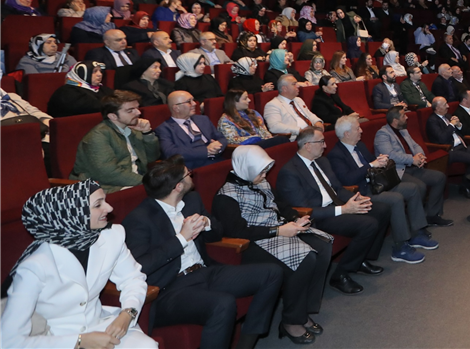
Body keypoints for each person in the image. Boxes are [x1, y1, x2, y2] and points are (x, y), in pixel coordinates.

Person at [122, 156, 283, 349]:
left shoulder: (191, 200)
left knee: (272, 273)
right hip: (170, 288)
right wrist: (182, 238)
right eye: (188, 174)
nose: (192, 176)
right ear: (178, 186)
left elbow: (218, 232)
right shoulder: (139, 219)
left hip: (205, 271)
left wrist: (207, 224)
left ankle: (246, 343)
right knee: (223, 303)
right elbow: (141, 266)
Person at [0, 181, 157, 349]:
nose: (110, 208)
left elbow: (132, 279)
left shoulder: (111, 236)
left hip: (102, 326)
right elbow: (8, 341)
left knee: (146, 346)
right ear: (71, 214)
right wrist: (79, 341)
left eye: (105, 200)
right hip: (55, 338)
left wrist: (128, 313)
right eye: (98, 204)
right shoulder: (35, 266)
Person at [214, 145, 334, 343]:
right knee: (306, 258)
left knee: (322, 245)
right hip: (254, 243)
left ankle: (302, 310)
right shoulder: (225, 196)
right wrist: (278, 231)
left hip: (279, 230)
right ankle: (290, 321)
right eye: (261, 171)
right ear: (246, 169)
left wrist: (296, 218)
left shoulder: (259, 181)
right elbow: (237, 232)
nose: (265, 175)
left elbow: (282, 205)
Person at [274, 129, 393, 292]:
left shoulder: (322, 161)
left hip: (336, 206)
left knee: (382, 209)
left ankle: (360, 260)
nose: (325, 145)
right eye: (321, 142)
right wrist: (343, 210)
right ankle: (340, 274)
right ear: (308, 145)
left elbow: (337, 189)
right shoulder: (290, 172)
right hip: (319, 216)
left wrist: (356, 198)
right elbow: (304, 210)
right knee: (368, 224)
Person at [327, 115, 437, 264]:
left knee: (413, 188)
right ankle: (400, 247)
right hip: (362, 192)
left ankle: (416, 233)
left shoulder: (360, 146)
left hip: (377, 184)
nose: (361, 131)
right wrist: (371, 165)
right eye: (357, 128)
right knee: (396, 198)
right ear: (347, 134)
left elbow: (373, 164)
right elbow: (347, 179)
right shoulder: (336, 155)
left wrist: (381, 161)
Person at [69, 90, 160, 193]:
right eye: (130, 110)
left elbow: (152, 158)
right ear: (113, 116)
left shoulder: (132, 128)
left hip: (133, 180)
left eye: (137, 108)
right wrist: (148, 182)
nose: (138, 113)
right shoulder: (98, 136)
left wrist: (147, 133)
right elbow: (108, 174)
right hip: (106, 187)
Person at [374, 107, 450, 226]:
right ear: (395, 120)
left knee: (439, 177)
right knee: (420, 186)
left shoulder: (403, 130)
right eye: (404, 116)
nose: (407, 117)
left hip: (413, 167)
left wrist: (420, 156)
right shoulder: (383, 134)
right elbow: (390, 155)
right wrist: (412, 159)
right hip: (398, 171)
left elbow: (415, 145)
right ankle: (416, 224)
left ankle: (432, 215)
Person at [155, 91, 228, 170]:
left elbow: (222, 138)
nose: (194, 103)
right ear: (176, 108)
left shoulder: (203, 119)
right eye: (189, 102)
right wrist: (206, 151)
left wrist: (218, 145)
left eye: (193, 100)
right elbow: (170, 153)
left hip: (217, 161)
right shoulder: (164, 129)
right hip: (193, 168)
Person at [263, 74, 323, 141]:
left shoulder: (298, 100)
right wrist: (298, 130)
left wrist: (317, 121)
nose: (298, 86)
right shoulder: (273, 105)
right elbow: (274, 127)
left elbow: (309, 114)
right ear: (284, 88)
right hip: (296, 138)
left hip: (311, 133)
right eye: (294, 84)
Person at [47, 61, 114, 118]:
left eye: (100, 71)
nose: (99, 74)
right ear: (81, 73)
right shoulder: (66, 92)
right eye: (94, 71)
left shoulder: (103, 89)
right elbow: (92, 107)